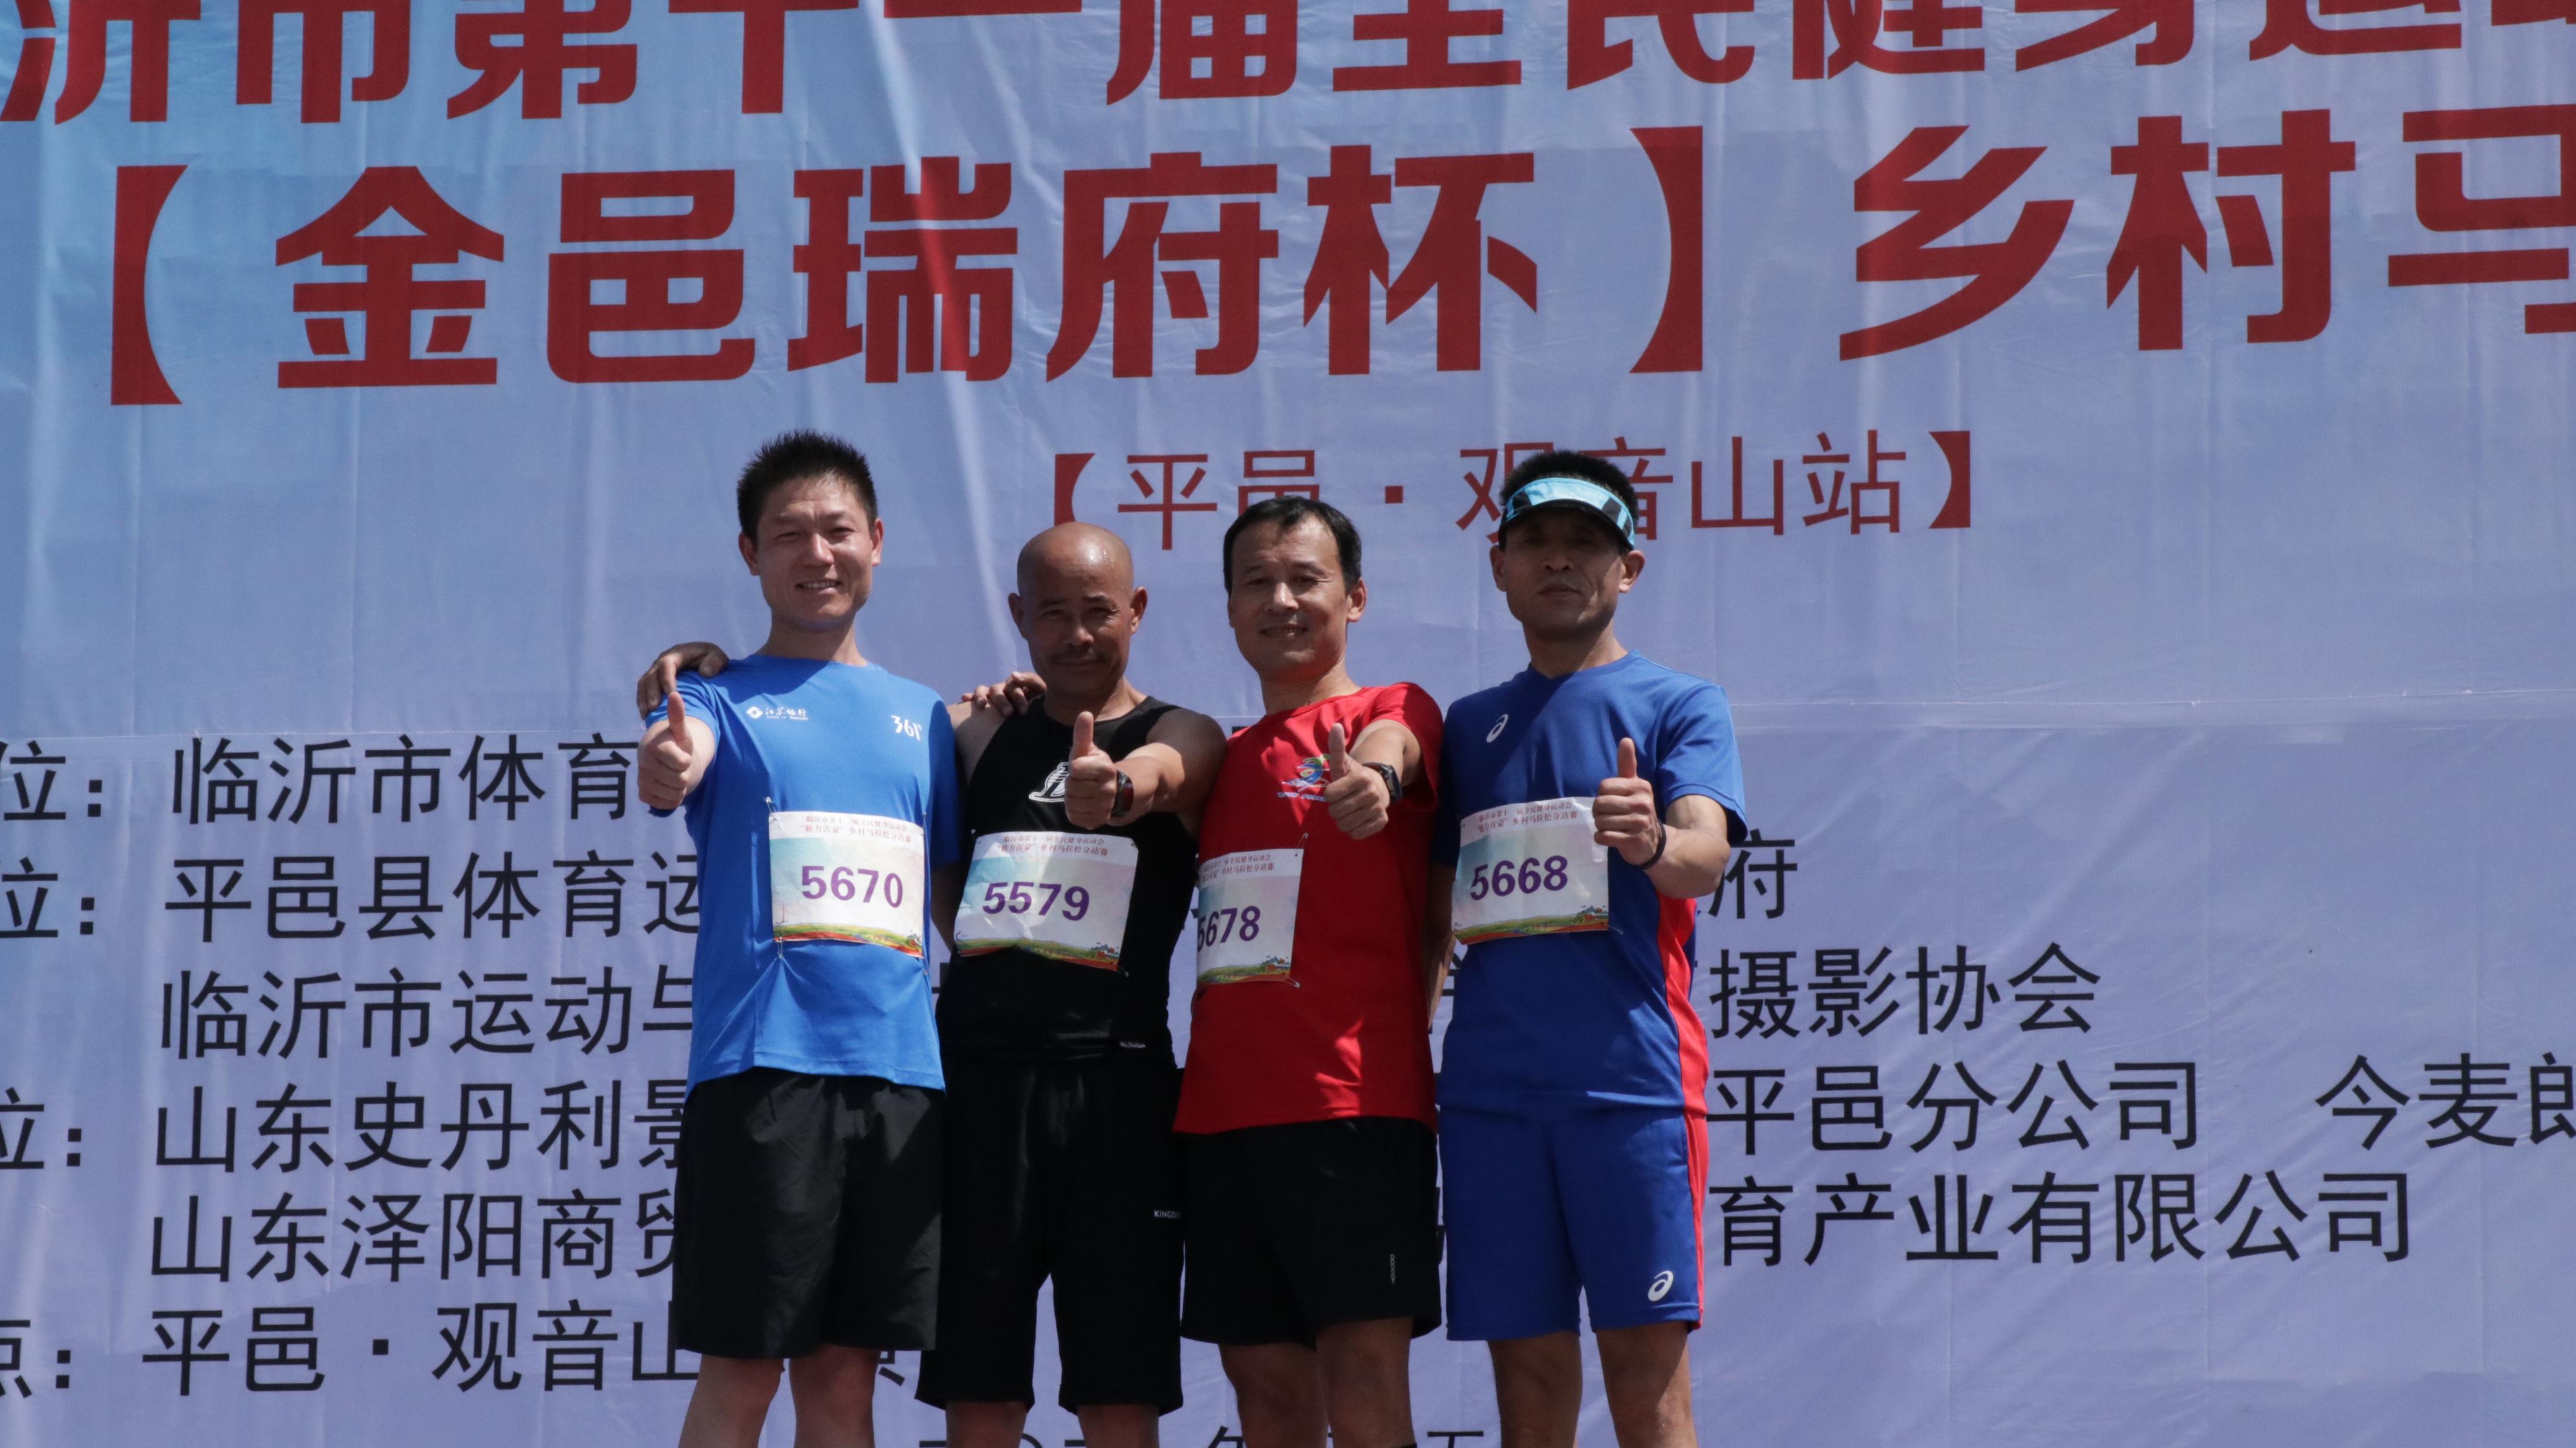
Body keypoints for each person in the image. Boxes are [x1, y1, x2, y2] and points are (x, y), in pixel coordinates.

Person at [640, 524, 1227, 1448]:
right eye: (1054, 614)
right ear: (1018, 617)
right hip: (975, 1097)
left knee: (1120, 1400)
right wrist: (707, 668)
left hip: (1121, 1097)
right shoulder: (965, 729)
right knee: (977, 1397)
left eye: (1099, 613)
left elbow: (1165, 773)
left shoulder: (1182, 731)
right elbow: (857, 741)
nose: (1077, 635)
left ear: (1139, 611)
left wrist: (1115, 789)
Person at [634, 431, 965, 1448]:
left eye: (837, 531)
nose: (817, 555)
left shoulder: (925, 718)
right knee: (743, 1372)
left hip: (901, 1084)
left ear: (877, 541)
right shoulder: (714, 696)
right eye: (789, 535)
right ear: (751, 554)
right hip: (765, 1076)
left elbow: (951, 903)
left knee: (845, 1380)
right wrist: (667, 757)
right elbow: (675, 755)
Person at [1424, 451, 1744, 1448]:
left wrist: (1651, 843)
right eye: (1536, 542)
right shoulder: (1469, 725)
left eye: (1585, 544)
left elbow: (1704, 857)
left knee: (1649, 1388)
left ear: (1629, 568)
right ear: (1500, 565)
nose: (1559, 561)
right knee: (1526, 1386)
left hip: (1631, 1092)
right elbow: (1435, 918)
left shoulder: (1680, 704)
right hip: (1490, 1099)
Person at [1174, 497, 1443, 1448]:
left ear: (1354, 597)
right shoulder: (1217, 758)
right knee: (1266, 1392)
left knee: (1365, 1381)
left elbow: (1391, 753)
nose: (1281, 601)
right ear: (1229, 607)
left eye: (1305, 580)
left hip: (1354, 1105)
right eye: (1257, 582)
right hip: (1220, 1116)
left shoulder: (1393, 708)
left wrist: (1372, 781)